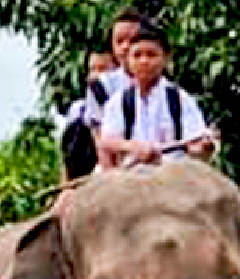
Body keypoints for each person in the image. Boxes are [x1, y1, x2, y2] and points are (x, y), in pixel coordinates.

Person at [96, 21, 221, 169]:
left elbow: (195, 145)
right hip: (130, 176)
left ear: (166, 59)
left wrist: (203, 147)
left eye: (151, 55)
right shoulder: (119, 101)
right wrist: (133, 147)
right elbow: (108, 140)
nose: (144, 61)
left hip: (174, 175)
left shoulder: (180, 99)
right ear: (128, 61)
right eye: (137, 55)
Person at [56, 50, 119, 183]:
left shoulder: (124, 104)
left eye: (103, 69)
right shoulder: (78, 109)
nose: (96, 75)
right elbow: (67, 156)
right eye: (92, 69)